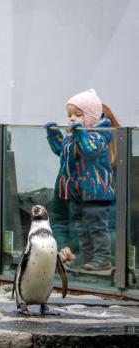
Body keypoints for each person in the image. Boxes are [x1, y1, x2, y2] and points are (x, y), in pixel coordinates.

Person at [44, 89, 115, 271]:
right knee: (82, 228)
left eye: (78, 115)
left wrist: (79, 134)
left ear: (91, 117)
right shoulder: (74, 137)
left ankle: (102, 258)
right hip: (78, 192)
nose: (72, 119)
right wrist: (53, 135)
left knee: (97, 227)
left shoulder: (98, 136)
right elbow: (62, 150)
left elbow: (89, 151)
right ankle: (87, 256)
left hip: (95, 192)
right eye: (69, 115)